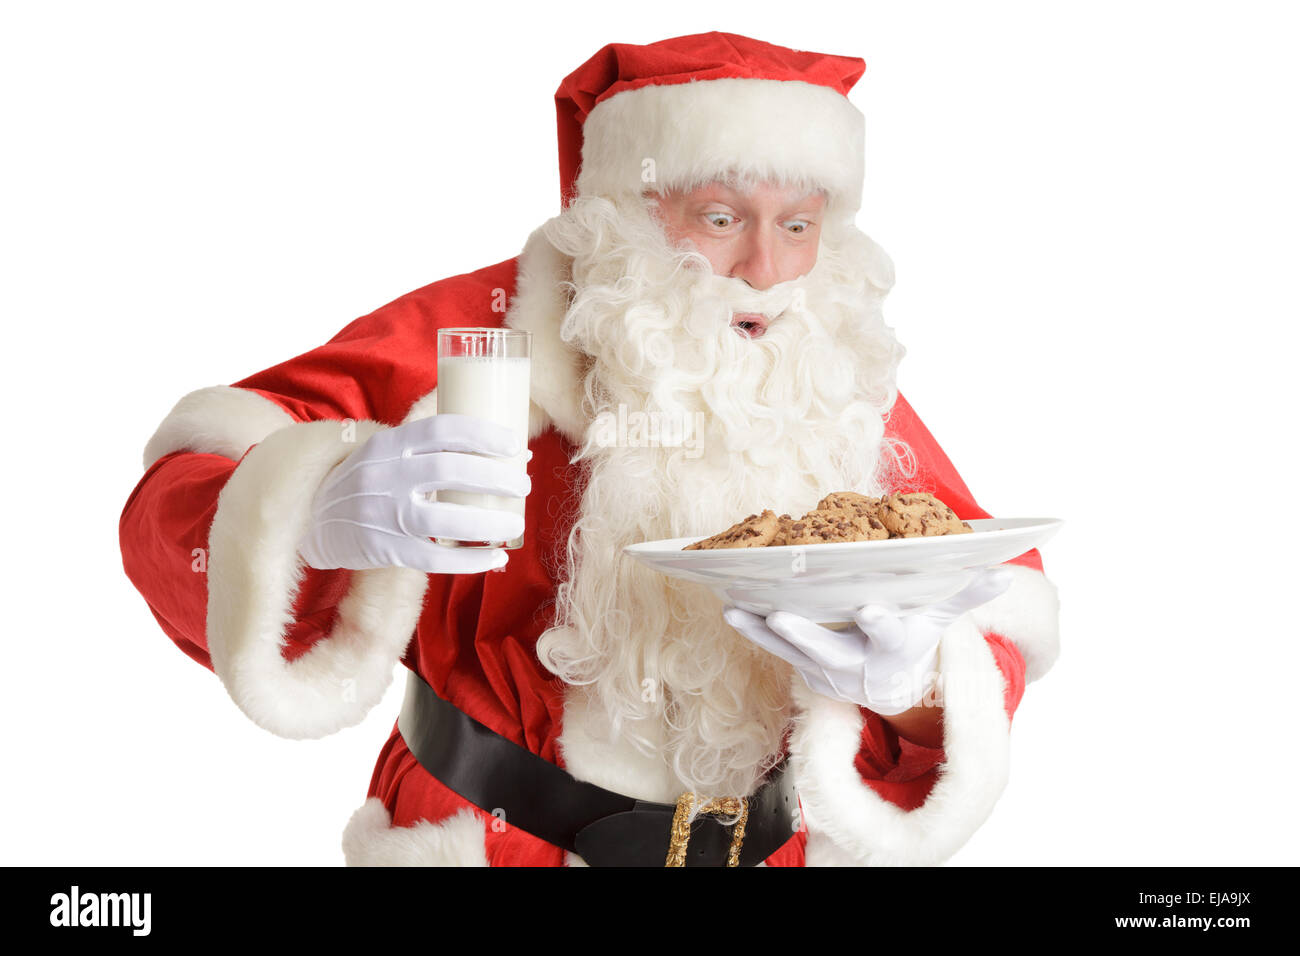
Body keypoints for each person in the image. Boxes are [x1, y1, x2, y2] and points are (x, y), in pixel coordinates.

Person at [119, 32, 1060, 866]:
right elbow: (177, 501)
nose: (767, 270)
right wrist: (317, 511)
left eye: (800, 224)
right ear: (632, 204)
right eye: (722, 217)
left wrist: (915, 689)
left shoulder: (822, 371)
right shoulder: (485, 335)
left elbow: (990, 599)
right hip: (487, 846)